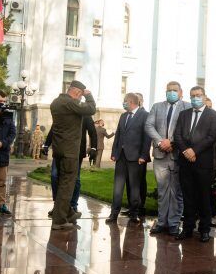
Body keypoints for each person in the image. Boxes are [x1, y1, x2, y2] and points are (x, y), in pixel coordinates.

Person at [173, 85, 216, 241]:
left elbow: (211, 137)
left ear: (204, 96)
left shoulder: (214, 115)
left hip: (203, 163)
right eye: (193, 95)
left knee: (204, 197)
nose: (195, 98)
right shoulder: (183, 114)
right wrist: (186, 151)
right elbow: (178, 135)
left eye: (198, 95)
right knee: (188, 197)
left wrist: (194, 151)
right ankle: (187, 228)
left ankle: (204, 229)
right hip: (185, 162)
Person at [48, 80, 96, 229]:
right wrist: (89, 97)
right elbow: (90, 109)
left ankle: (68, 212)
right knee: (67, 185)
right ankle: (60, 220)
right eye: (80, 95)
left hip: (59, 149)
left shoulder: (56, 102)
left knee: (62, 182)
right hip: (70, 151)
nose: (81, 98)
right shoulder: (70, 102)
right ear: (77, 92)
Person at [145, 81, 191, 236]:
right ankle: (162, 222)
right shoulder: (157, 106)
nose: (171, 92)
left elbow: (188, 131)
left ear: (181, 92)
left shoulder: (187, 107)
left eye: (174, 90)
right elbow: (149, 126)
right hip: (160, 155)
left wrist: (172, 143)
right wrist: (160, 141)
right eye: (169, 90)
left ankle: (173, 223)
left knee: (176, 191)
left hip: (178, 155)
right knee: (163, 191)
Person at [107, 92, 149, 224]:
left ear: (131, 102)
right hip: (121, 157)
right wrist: (114, 152)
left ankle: (134, 213)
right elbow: (118, 135)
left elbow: (146, 138)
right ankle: (114, 213)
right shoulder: (123, 115)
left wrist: (143, 155)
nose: (123, 103)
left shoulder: (145, 116)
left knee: (134, 187)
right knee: (118, 187)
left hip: (136, 158)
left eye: (125, 101)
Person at [45, 114, 97, 216]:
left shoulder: (84, 113)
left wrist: (94, 147)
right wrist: (46, 143)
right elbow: (54, 128)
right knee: (55, 176)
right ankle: (58, 204)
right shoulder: (63, 110)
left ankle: (73, 205)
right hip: (60, 150)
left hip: (77, 152)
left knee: (75, 178)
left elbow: (92, 131)